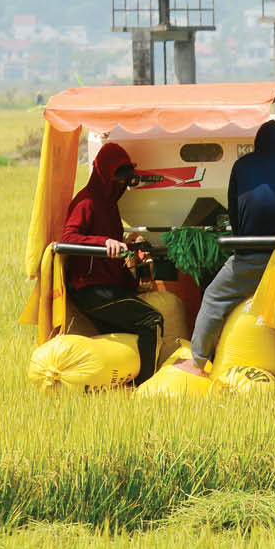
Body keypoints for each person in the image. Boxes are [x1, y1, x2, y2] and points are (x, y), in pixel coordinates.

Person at [181, 120, 275, 381]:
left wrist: (242, 240)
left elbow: (234, 211)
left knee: (214, 298)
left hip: (248, 255)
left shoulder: (242, 166)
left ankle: (197, 362)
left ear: (257, 144)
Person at [61, 142, 161, 383]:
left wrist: (129, 239)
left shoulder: (110, 205)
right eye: (117, 181)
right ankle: (145, 386)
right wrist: (103, 242)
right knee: (151, 320)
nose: (121, 187)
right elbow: (68, 237)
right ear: (103, 175)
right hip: (91, 290)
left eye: (124, 183)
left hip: (108, 287)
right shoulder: (86, 201)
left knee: (127, 335)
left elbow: (113, 241)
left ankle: (125, 385)